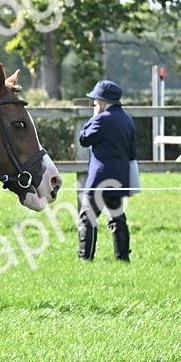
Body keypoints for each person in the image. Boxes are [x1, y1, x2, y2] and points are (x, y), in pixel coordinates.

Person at [77, 80, 138, 261]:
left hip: (100, 177)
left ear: (103, 102)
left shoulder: (101, 119)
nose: (95, 104)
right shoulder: (127, 120)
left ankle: (85, 258)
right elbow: (132, 151)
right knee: (117, 218)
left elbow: (84, 139)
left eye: (96, 101)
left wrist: (93, 117)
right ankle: (123, 258)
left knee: (87, 217)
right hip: (120, 177)